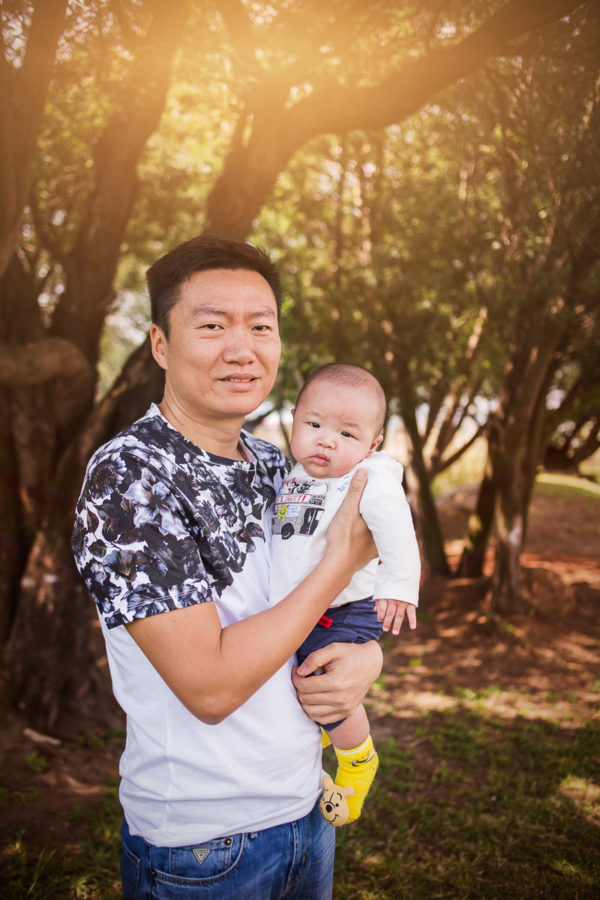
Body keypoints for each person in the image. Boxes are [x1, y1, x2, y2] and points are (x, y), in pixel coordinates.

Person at [71, 234, 383, 900]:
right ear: (160, 343)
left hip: (305, 809)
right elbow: (209, 687)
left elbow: (336, 599)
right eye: (212, 326)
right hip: (204, 848)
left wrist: (366, 658)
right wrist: (338, 563)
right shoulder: (132, 478)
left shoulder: (280, 468)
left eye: (261, 327)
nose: (242, 348)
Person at [270, 363, 421, 825]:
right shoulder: (294, 475)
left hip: (345, 608)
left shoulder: (370, 475)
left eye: (347, 434)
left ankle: (356, 757)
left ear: (373, 444)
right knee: (296, 674)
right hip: (306, 608)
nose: (327, 440)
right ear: (294, 419)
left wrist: (399, 585)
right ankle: (319, 734)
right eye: (314, 425)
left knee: (321, 681)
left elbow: (396, 528)